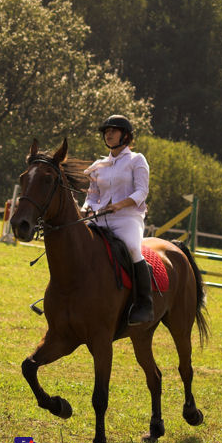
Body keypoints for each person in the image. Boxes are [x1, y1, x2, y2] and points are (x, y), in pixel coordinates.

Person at [82, 114, 153, 325]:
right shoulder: (98, 165)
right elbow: (91, 196)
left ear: (126, 136)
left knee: (132, 247)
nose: (109, 134)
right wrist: (88, 209)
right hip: (100, 218)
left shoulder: (137, 160)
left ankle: (144, 304)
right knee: (77, 241)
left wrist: (119, 205)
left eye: (113, 130)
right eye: (106, 131)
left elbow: (142, 192)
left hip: (128, 218)